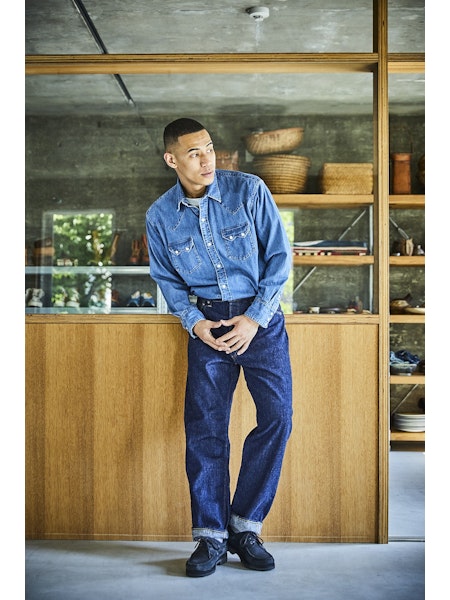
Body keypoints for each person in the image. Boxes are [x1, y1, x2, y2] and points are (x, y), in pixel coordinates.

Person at [145, 118, 293, 578]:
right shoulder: (160, 216)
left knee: (278, 417)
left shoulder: (249, 191)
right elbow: (166, 279)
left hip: (260, 322)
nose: (206, 159)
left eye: (209, 148)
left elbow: (279, 258)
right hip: (208, 327)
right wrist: (195, 323)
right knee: (206, 428)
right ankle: (210, 535)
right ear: (172, 159)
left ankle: (245, 527)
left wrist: (254, 318)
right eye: (194, 153)